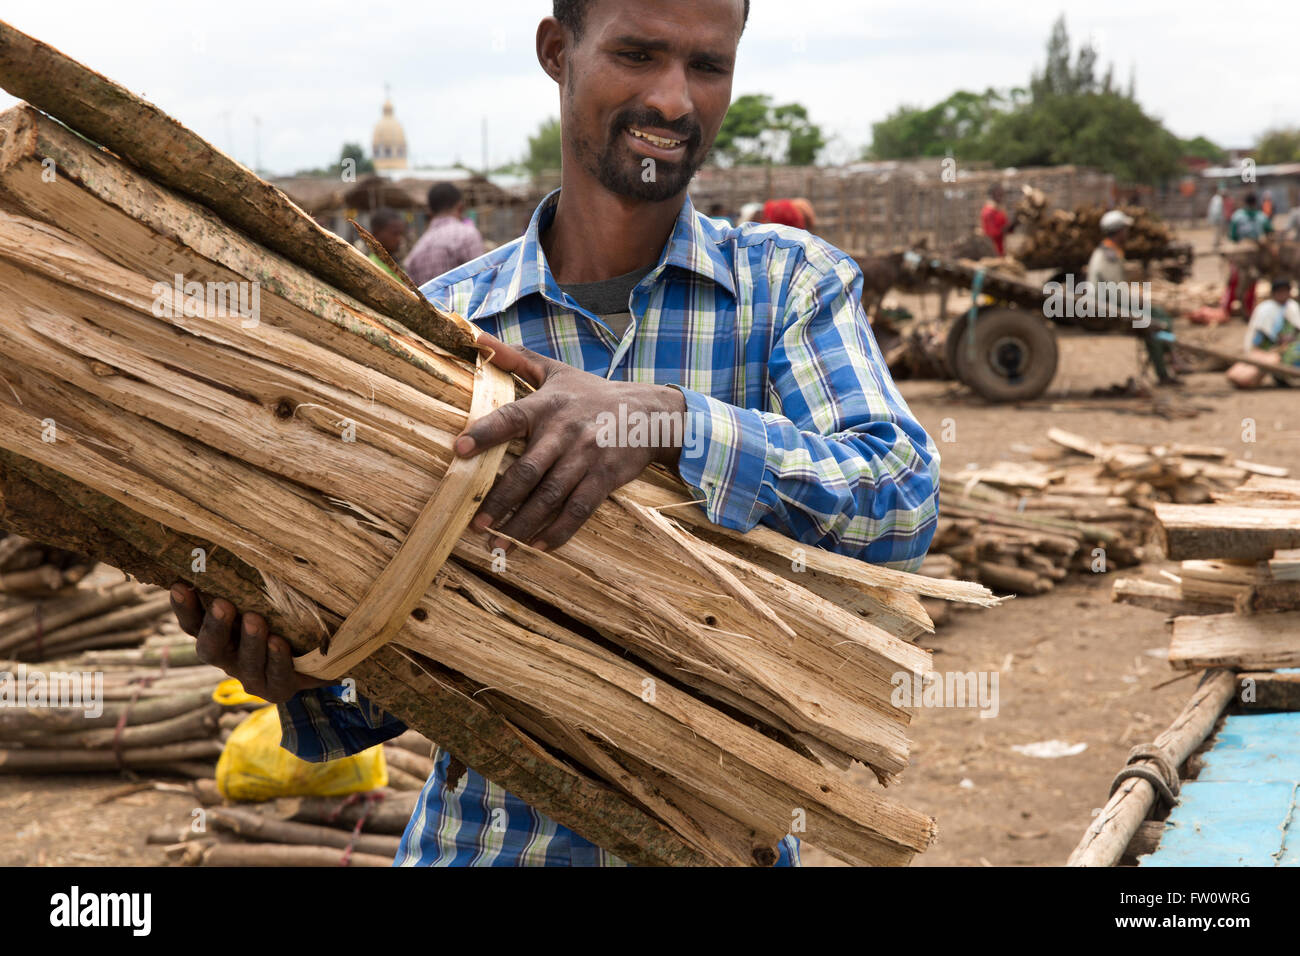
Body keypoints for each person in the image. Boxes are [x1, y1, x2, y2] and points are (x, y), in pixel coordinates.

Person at [169, 0, 939, 868]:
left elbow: (901, 503)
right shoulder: (444, 327)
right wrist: (299, 671)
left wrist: (667, 419)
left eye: (708, 67)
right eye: (638, 54)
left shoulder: (786, 289)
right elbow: (388, 677)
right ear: (555, 51)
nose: (676, 101)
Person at [1087, 210, 1178, 385]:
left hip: (1106, 303)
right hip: (1106, 306)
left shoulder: (1107, 251)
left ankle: (1169, 358)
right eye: (1125, 230)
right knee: (1157, 320)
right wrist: (1138, 302)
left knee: (1156, 316)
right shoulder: (1109, 255)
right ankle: (1167, 364)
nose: (1127, 233)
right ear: (1119, 231)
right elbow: (1115, 291)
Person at [402, 182, 485, 286]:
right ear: (460, 207)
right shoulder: (468, 235)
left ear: (430, 212)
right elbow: (482, 279)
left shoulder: (415, 253)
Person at [1228, 277, 1300, 388]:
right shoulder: (1266, 309)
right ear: (1273, 293)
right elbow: (1260, 336)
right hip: (1268, 348)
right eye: (1280, 292)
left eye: (1286, 291)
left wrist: (1290, 339)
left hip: (1288, 344)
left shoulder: (1292, 306)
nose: (1283, 295)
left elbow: (1296, 327)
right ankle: (1281, 375)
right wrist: (1279, 344)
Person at [1224, 192, 1274, 318]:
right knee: (1252, 282)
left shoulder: (1237, 216)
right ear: (1255, 203)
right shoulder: (1261, 216)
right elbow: (1269, 231)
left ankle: (1227, 309)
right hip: (1256, 254)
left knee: (1234, 280)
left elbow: (1233, 236)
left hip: (1240, 253)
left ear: (1245, 203)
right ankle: (1249, 309)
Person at [364, 208, 408, 278]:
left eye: (401, 234)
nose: (399, 239)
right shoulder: (373, 268)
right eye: (395, 234)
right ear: (376, 233)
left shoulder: (394, 262)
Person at [980, 184, 1014, 256]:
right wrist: (1006, 229)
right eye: (998, 194)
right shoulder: (989, 212)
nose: (1001, 196)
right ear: (992, 194)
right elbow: (991, 233)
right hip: (993, 249)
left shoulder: (998, 209)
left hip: (1002, 247)